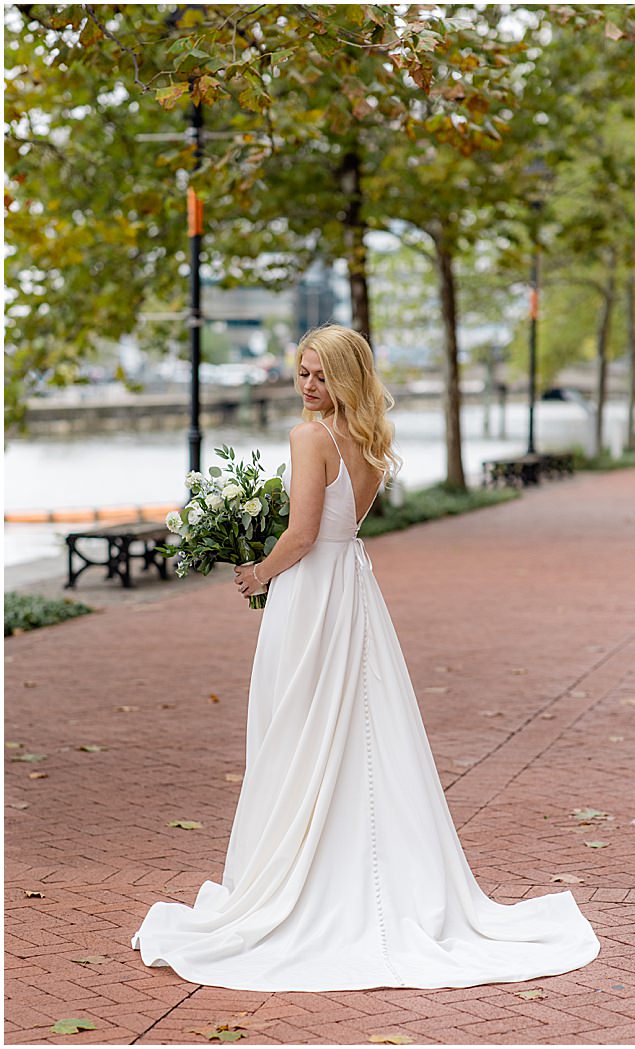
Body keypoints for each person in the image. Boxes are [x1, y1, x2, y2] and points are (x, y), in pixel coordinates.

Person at [131, 323, 599, 991]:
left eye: (321, 374)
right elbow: (341, 527)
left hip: (310, 593)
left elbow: (299, 535)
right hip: (352, 588)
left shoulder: (308, 438)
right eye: (303, 372)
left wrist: (259, 571)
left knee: (297, 726)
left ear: (345, 377)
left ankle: (307, 875)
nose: (309, 385)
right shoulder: (372, 443)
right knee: (358, 726)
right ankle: (355, 865)